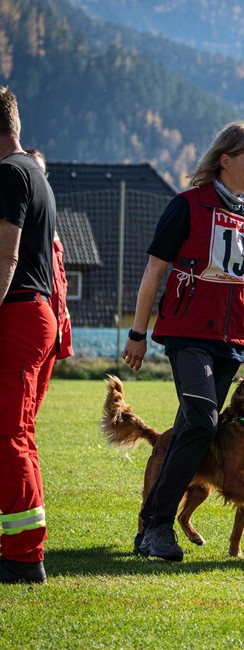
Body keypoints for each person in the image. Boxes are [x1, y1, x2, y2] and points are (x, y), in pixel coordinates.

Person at [123, 120, 244, 562]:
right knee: (203, 421)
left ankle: (148, 529)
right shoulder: (187, 206)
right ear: (225, 160)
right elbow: (154, 270)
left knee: (191, 429)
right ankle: (157, 527)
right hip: (187, 335)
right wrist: (137, 332)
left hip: (232, 343)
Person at [0, 87, 57, 584]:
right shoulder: (33, 172)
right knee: (17, 434)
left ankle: (22, 557)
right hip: (33, 314)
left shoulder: (10, 174)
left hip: (16, 314)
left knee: (9, 437)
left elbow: (7, 254)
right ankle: (21, 548)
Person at [23, 149, 74, 414]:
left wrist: (62, 322)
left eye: (42, 174)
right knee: (22, 404)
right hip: (29, 321)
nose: (39, 179)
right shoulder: (16, 220)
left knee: (34, 406)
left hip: (51, 326)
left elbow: (60, 280)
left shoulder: (50, 224)